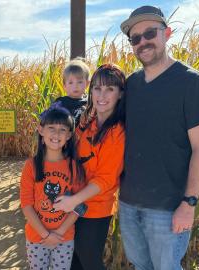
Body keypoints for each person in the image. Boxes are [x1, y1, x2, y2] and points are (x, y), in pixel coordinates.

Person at [118, 5, 199, 270]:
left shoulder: (191, 82)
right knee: (140, 266)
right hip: (128, 203)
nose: (142, 42)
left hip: (168, 208)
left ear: (167, 33)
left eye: (150, 33)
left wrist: (189, 203)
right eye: (135, 38)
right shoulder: (132, 85)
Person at [53, 64, 126, 270]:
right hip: (72, 201)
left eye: (110, 89)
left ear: (120, 94)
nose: (102, 95)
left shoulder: (117, 132)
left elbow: (105, 179)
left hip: (95, 209)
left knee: (89, 260)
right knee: (73, 260)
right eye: (97, 88)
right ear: (90, 90)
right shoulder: (86, 122)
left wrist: (73, 201)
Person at [20, 104, 87, 270]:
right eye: (51, 128)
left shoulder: (73, 167)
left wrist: (58, 234)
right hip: (37, 237)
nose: (56, 134)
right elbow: (27, 205)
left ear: (69, 135)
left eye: (62, 129)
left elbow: (79, 206)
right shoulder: (31, 166)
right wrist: (46, 235)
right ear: (41, 130)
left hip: (64, 237)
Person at [53, 57, 90, 126]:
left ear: (87, 84)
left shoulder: (89, 103)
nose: (75, 86)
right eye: (70, 83)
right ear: (64, 86)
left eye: (79, 82)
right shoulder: (60, 103)